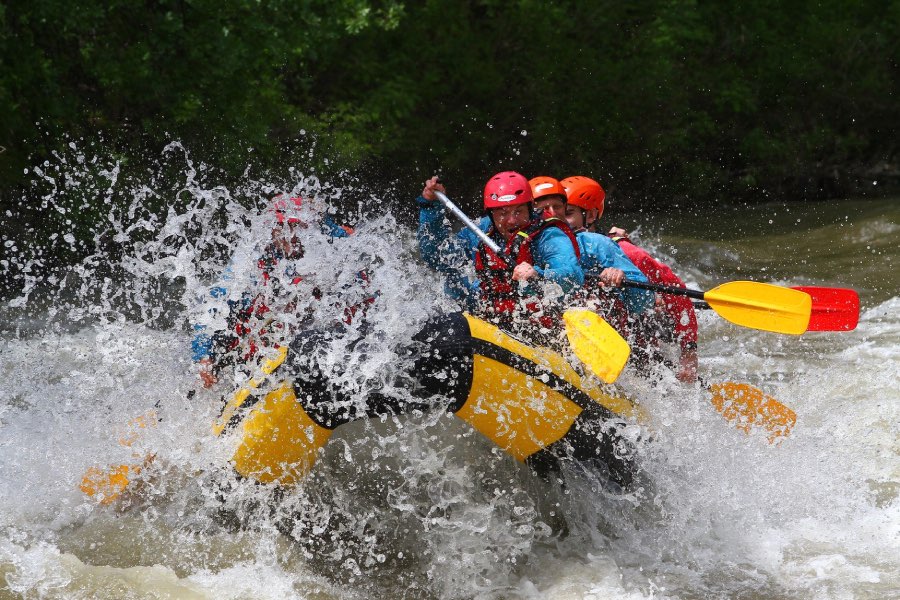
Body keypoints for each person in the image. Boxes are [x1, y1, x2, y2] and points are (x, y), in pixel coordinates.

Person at [192, 196, 364, 388]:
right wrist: (204, 356)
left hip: (325, 330)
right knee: (237, 318)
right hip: (276, 327)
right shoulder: (254, 252)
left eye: (300, 228)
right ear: (273, 230)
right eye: (286, 229)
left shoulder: (336, 242)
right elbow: (217, 303)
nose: (294, 237)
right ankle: (239, 377)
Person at [558, 176, 698, 383]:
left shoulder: (627, 252)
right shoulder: (548, 249)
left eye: (568, 213)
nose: (558, 220)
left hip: (636, 334)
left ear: (591, 215)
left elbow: (677, 294)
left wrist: (688, 354)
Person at [417, 172, 584, 343]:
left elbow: (572, 275)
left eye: (519, 211)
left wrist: (538, 274)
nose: (512, 220)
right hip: (493, 323)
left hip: (539, 331)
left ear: (530, 207)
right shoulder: (481, 232)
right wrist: (431, 209)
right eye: (503, 213)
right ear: (491, 214)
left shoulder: (549, 235)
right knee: (444, 316)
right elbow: (437, 257)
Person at [528, 176, 654, 336]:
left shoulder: (597, 244)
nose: (551, 213)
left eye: (560, 208)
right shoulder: (523, 244)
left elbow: (646, 301)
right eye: (543, 209)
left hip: (601, 330)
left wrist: (621, 279)